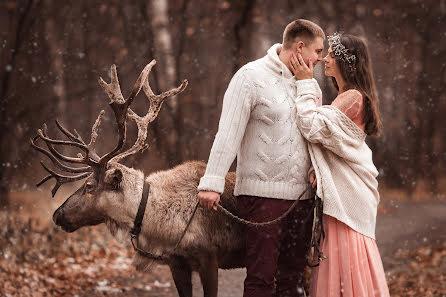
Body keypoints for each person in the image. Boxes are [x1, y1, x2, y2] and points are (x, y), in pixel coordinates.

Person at [197, 19, 325, 297]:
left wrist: (318, 170)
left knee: (293, 280)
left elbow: (315, 137)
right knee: (261, 278)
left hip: (303, 199)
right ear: (300, 47)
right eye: (317, 50)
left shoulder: (311, 87)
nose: (320, 58)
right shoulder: (249, 77)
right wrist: (212, 182)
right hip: (261, 197)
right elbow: (228, 132)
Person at [290, 33, 390, 297]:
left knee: (343, 253)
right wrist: (319, 170)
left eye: (331, 54)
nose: (324, 58)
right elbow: (333, 144)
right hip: (346, 191)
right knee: (343, 253)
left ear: (347, 62)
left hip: (347, 195)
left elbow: (311, 126)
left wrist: (304, 84)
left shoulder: (353, 98)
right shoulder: (348, 96)